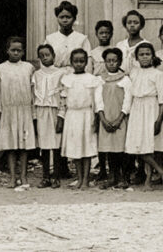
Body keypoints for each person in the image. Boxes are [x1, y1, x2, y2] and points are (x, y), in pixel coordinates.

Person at [121, 42, 163, 190]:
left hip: (151, 109)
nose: (144, 57)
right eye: (141, 54)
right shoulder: (133, 73)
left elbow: (162, 99)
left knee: (150, 146)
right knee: (137, 145)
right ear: (136, 57)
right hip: (137, 109)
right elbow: (129, 95)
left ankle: (149, 180)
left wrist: (159, 119)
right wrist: (127, 113)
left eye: (147, 54)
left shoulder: (158, 74)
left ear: (153, 56)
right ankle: (161, 171)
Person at [56, 48, 100, 189]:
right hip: (72, 116)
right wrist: (61, 118)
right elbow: (63, 101)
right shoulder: (67, 79)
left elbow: (97, 101)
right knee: (75, 148)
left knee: (86, 148)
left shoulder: (92, 79)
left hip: (86, 115)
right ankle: (79, 178)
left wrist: (96, 116)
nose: (79, 64)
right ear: (71, 62)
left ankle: (86, 179)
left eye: (82, 61)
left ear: (86, 62)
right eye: (76, 61)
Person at [0, 36, 35, 191]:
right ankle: (12, 176)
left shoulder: (28, 68)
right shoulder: (1, 68)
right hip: (8, 110)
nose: (16, 53)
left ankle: (23, 175)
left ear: (23, 52)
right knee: (10, 145)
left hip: (24, 109)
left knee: (24, 146)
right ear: (7, 51)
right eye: (13, 50)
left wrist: (33, 111)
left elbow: (32, 90)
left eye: (19, 50)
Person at [95, 46, 130, 190]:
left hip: (120, 118)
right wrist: (102, 119)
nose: (111, 63)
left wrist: (120, 118)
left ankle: (123, 177)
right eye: (108, 61)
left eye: (114, 60)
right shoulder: (100, 79)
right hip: (106, 117)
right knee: (109, 149)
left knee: (120, 149)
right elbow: (98, 100)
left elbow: (128, 100)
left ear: (120, 62)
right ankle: (112, 177)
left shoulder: (125, 79)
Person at [31, 43, 63, 188]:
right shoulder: (36, 75)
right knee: (44, 145)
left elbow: (63, 96)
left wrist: (61, 116)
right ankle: (45, 176)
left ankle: (56, 176)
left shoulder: (61, 73)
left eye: (47, 55)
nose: (45, 58)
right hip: (41, 111)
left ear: (53, 56)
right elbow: (33, 97)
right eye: (41, 56)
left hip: (55, 111)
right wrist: (34, 116)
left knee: (56, 144)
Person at [45, 1, 91, 70]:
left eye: (68, 17)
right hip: (55, 73)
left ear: (74, 19)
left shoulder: (82, 39)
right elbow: (44, 61)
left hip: (77, 73)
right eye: (61, 17)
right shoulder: (50, 39)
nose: (65, 20)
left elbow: (88, 63)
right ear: (57, 18)